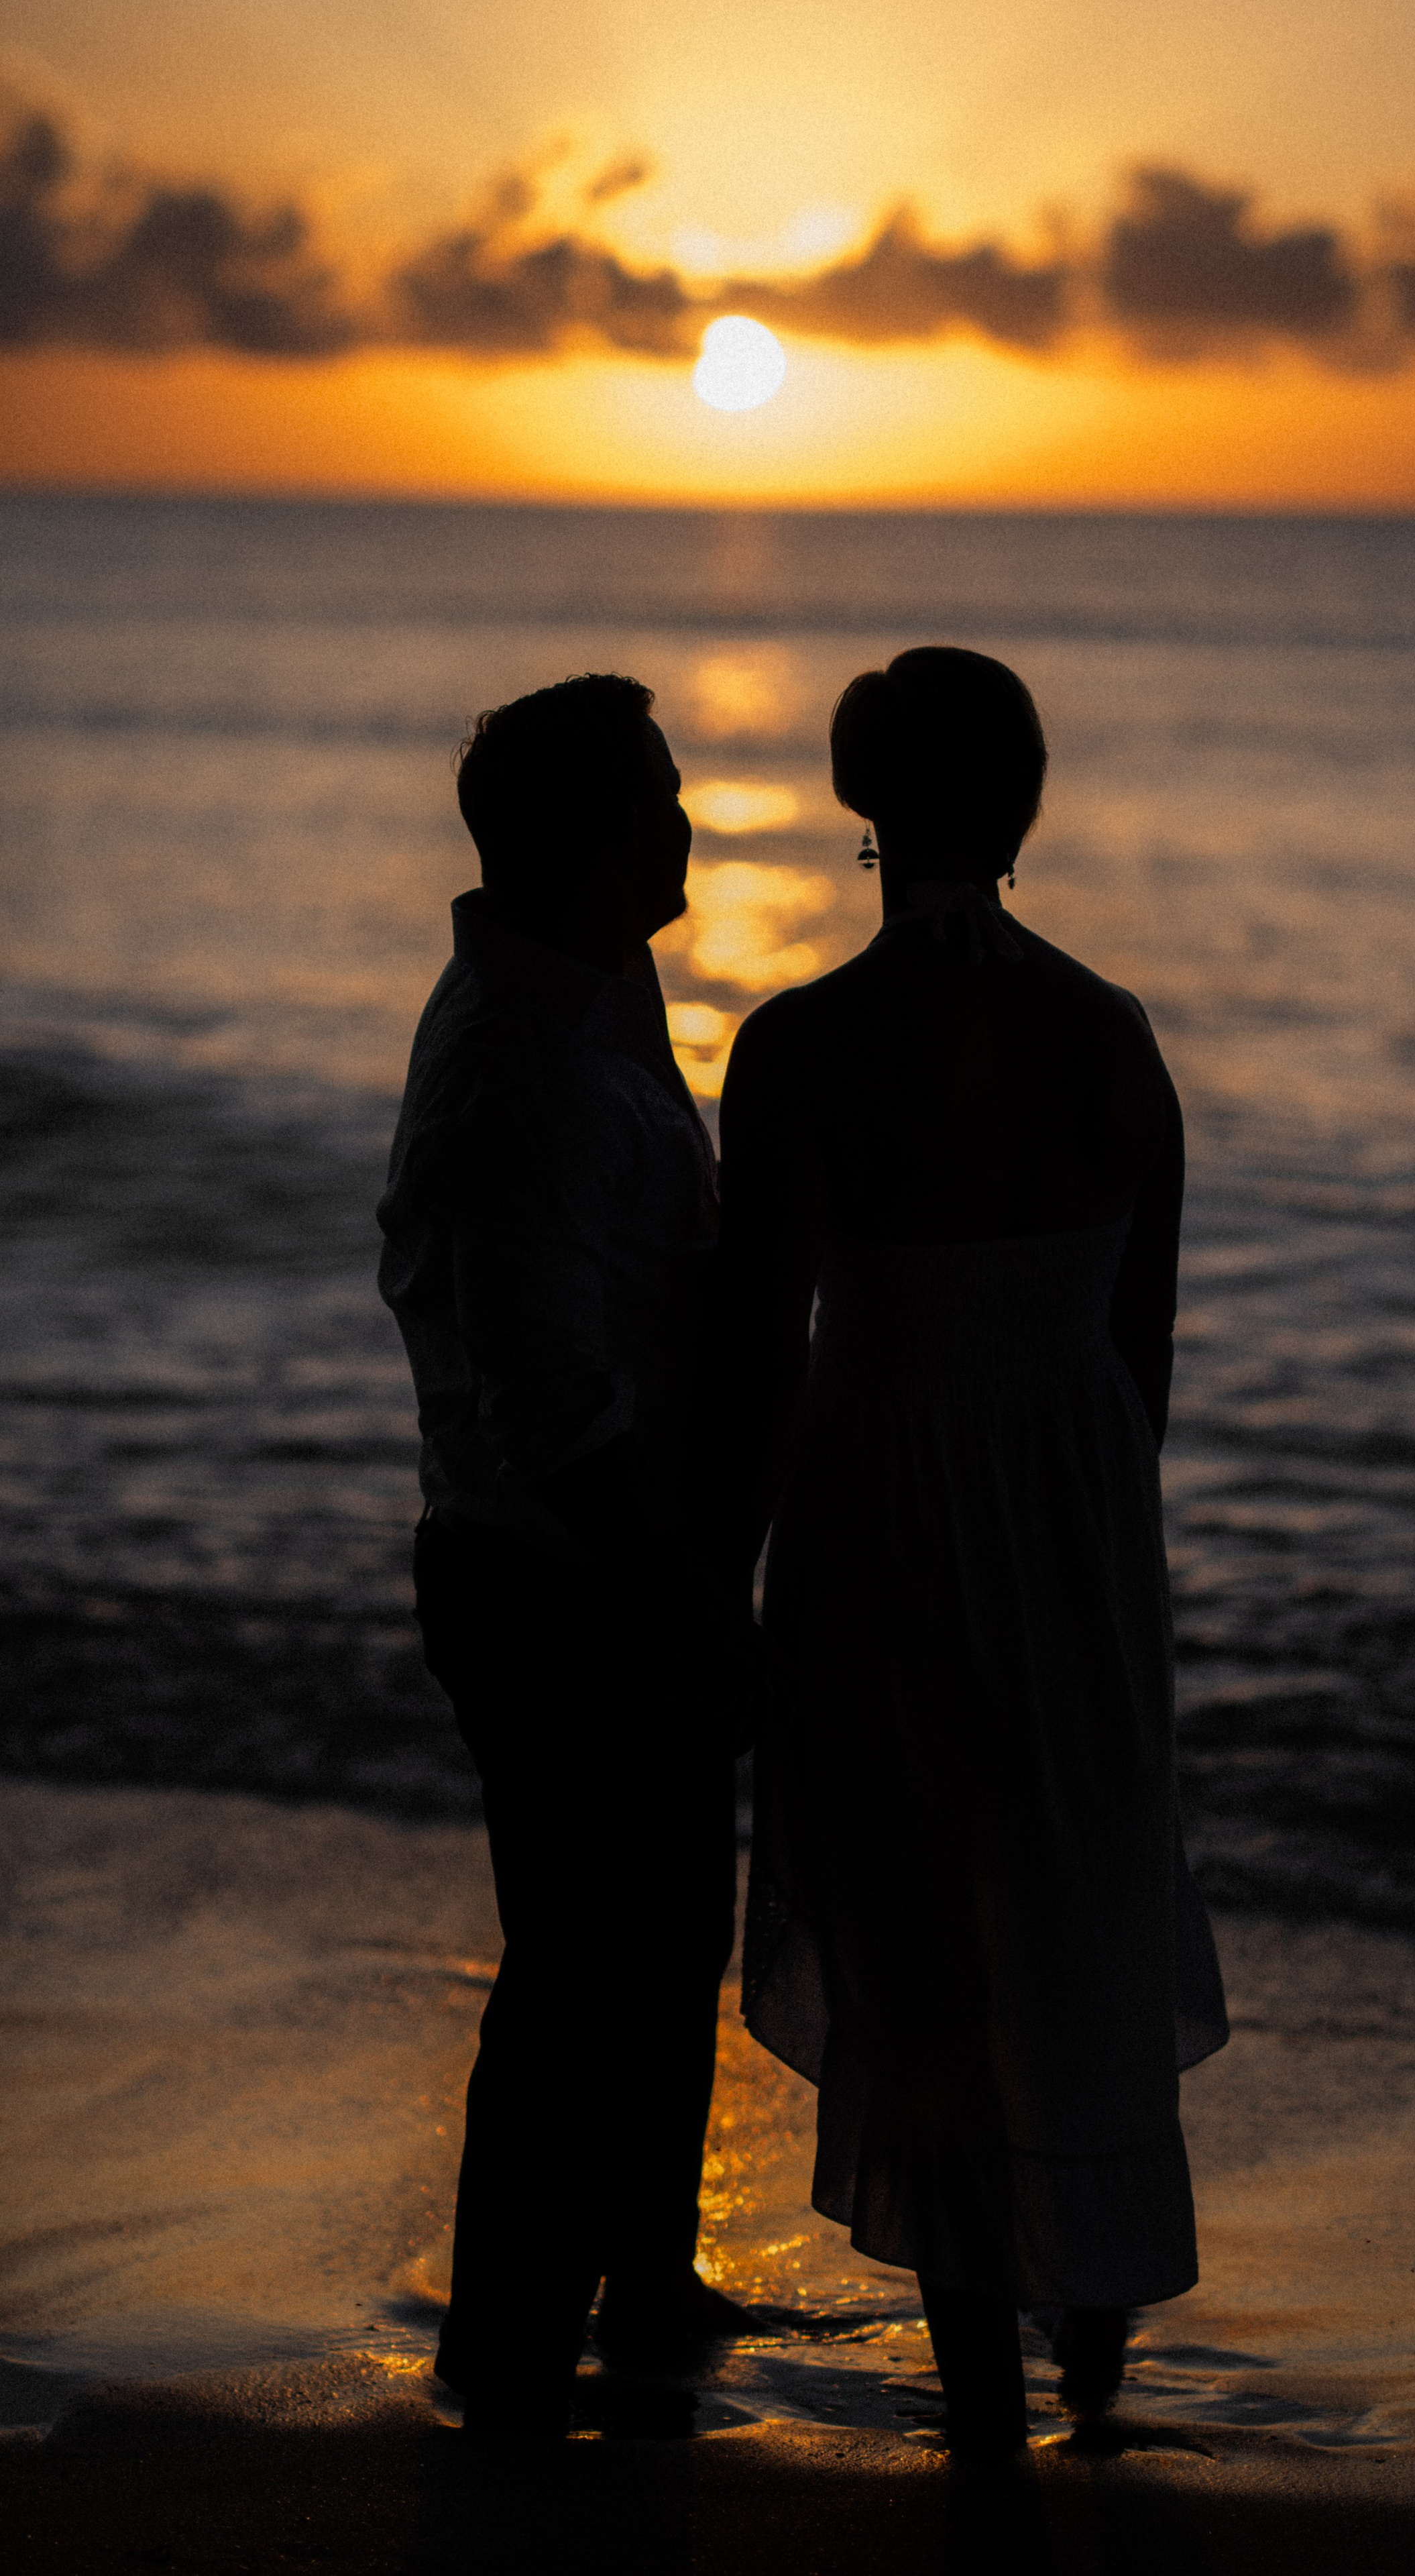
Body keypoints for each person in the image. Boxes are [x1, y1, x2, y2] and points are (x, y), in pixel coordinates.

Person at [718, 647, 1228, 2460]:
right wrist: (1085, 1528)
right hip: (1080, 1510)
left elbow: (759, 1345)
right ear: (1025, 811)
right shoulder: (1111, 1035)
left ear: (864, 809)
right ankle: (1091, 2312)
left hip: (879, 1508)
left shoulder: (797, 1050)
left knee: (921, 1920)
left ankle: (982, 2394)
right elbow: (1140, 1357)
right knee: (1075, 1901)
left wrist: (732, 1583)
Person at [377, 673, 755, 2435]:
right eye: (662, 799)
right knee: (583, 1954)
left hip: (606, 1554)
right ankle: (511, 2336)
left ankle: (646, 2272)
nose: (687, 823)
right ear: (599, 839)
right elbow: (547, 1397)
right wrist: (677, 1593)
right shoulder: (518, 1064)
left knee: (668, 1924)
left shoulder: (593, 980)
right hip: (557, 1573)